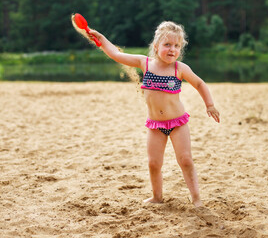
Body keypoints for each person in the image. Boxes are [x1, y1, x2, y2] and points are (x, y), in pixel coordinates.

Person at [88, 21, 220, 207]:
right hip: (155, 126)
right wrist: (101, 39)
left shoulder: (180, 69)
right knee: (153, 163)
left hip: (178, 124)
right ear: (156, 46)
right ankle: (157, 197)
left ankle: (196, 198)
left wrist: (210, 105)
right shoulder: (145, 63)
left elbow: (199, 84)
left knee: (186, 160)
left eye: (176, 46)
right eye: (167, 45)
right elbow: (117, 54)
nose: (172, 49)